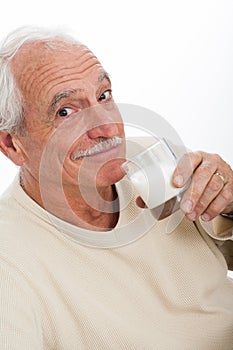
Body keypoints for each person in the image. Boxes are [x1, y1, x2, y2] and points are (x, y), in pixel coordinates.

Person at [0, 26, 233, 350]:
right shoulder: (8, 261)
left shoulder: (155, 163)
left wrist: (229, 204)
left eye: (104, 95)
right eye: (66, 111)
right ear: (12, 145)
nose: (107, 128)